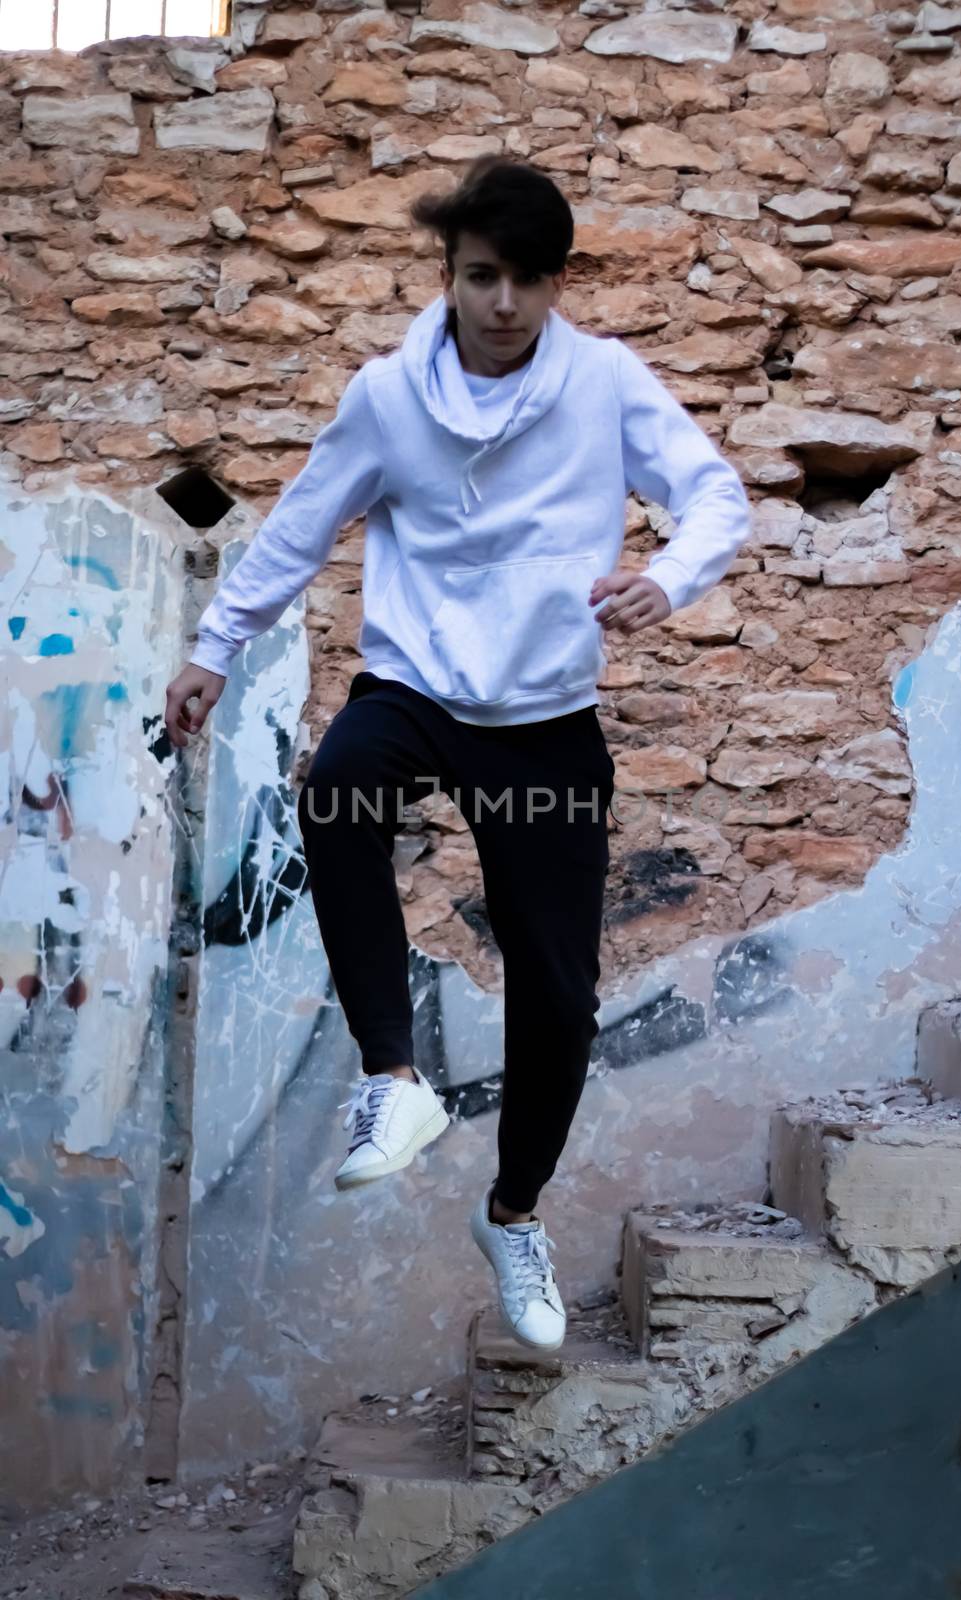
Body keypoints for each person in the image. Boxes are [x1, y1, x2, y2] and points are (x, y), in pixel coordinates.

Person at [164, 155, 751, 1352]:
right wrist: (216, 647)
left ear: (554, 284)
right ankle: (395, 1077)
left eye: (526, 283)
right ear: (449, 275)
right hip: (415, 685)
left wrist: (668, 578)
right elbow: (299, 527)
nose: (501, 306)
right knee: (335, 788)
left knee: (558, 1000)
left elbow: (715, 498)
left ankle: (512, 1211)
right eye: (481, 278)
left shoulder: (604, 384)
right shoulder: (387, 397)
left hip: (541, 715)